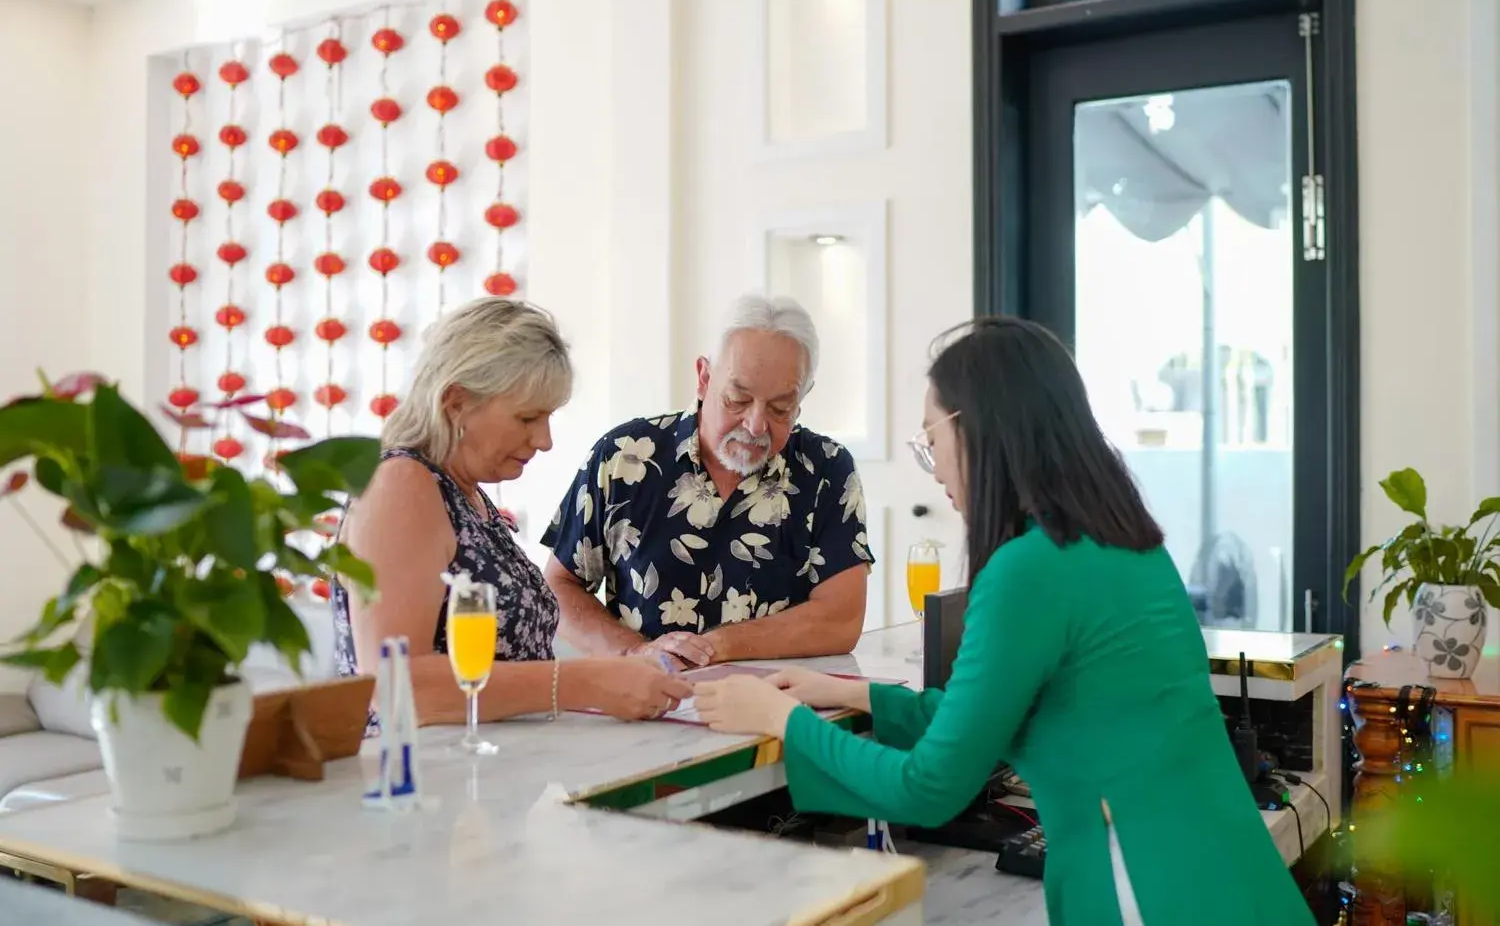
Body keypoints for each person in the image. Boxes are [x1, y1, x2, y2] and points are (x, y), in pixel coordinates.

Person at [694, 316, 1315, 926]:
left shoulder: (1028, 570)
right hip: (1233, 876)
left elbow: (931, 784)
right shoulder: (1127, 544)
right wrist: (846, 693)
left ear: (976, 431)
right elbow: (989, 715)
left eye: (931, 441)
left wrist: (784, 721)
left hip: (1145, 888)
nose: (934, 469)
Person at [331, 297, 692, 725]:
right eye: (527, 418)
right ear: (455, 403)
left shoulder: (468, 497)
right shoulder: (402, 485)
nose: (545, 440)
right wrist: (588, 682)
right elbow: (395, 686)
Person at [541, 294, 872, 669]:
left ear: (802, 399)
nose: (756, 425)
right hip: (647, 699)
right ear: (704, 377)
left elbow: (840, 619)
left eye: (781, 409)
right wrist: (636, 652)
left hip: (778, 707)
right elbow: (559, 587)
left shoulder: (825, 468)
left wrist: (714, 646)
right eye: (737, 399)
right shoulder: (625, 457)